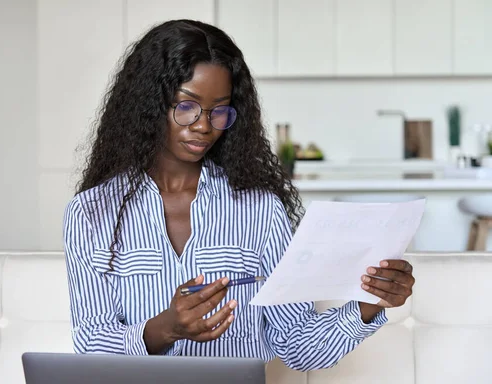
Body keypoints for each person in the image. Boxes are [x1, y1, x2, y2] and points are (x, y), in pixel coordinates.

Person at [63, 19, 415, 371]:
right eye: (186, 107)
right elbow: (92, 345)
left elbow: (297, 345)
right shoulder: (92, 213)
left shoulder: (259, 209)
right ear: (148, 106)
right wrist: (166, 328)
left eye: (220, 110)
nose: (204, 125)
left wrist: (370, 304)